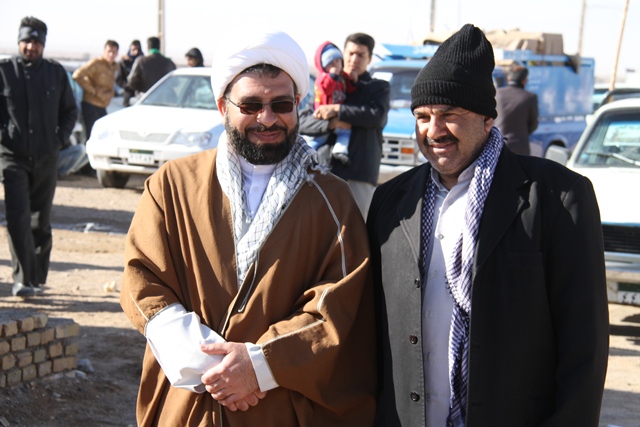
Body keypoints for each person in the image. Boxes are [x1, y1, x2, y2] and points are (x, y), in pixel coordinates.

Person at [120, 30, 376, 426]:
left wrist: (260, 366)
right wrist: (215, 367)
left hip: (281, 409)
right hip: (191, 405)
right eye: (251, 105)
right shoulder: (172, 185)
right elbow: (143, 280)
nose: (267, 118)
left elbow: (337, 304)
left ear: (298, 104)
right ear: (223, 106)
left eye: (281, 105)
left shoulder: (332, 200)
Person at [367, 24, 609, 426]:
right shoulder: (391, 201)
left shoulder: (557, 197)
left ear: (486, 118)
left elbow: (585, 343)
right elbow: (370, 335)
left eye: (450, 115)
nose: (433, 130)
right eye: (422, 116)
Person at [0, 16, 77, 297]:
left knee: (40, 221)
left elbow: (70, 111)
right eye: (26, 41)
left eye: (36, 42)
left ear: (43, 44)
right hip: (13, 157)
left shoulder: (56, 74)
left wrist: (58, 140)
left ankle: (36, 278)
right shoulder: (4, 72)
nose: (30, 47)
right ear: (19, 42)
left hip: (46, 157)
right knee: (18, 217)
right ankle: (22, 279)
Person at [300, 32, 390, 219]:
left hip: (360, 173)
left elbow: (376, 116)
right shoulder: (327, 85)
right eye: (350, 53)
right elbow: (302, 121)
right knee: (321, 229)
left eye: (361, 55)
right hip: (325, 171)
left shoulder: (377, 88)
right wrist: (332, 124)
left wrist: (338, 110)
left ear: (369, 59)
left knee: (357, 230)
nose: (354, 59)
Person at [307, 41, 357, 165]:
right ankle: (306, 153)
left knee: (345, 132)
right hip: (323, 116)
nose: (335, 65)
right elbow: (326, 89)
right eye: (331, 63)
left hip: (337, 115)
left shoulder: (342, 77)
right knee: (319, 139)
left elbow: (349, 90)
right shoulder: (323, 77)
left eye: (337, 61)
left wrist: (353, 81)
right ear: (324, 66)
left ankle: (340, 151)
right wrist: (332, 76)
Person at [72, 40, 119, 140]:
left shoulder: (114, 67)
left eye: (114, 52)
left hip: (103, 105)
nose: (111, 55)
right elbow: (77, 75)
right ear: (104, 51)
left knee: (103, 136)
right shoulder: (96, 63)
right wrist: (93, 91)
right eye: (109, 51)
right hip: (91, 105)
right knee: (92, 136)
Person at [494, 64, 538, 155]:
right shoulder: (530, 97)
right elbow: (533, 124)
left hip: (497, 145)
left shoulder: (497, 94)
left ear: (508, 78)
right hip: (520, 147)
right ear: (524, 80)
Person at [116, 39, 144, 107]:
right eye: (133, 49)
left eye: (137, 49)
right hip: (128, 93)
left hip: (141, 94)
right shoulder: (124, 63)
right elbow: (119, 79)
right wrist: (127, 86)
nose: (135, 52)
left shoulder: (144, 62)